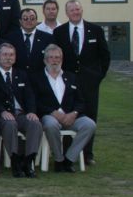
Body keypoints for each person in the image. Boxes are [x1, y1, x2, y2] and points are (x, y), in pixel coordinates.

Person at [52, 0, 110, 163]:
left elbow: (105, 56)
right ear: (66, 13)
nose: (75, 12)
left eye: (77, 9)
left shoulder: (96, 30)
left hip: (89, 82)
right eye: (71, 10)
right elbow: (55, 56)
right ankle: (67, 152)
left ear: (82, 10)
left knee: (90, 115)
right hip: (67, 82)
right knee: (67, 115)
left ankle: (87, 154)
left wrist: (98, 76)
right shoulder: (59, 32)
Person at [34, 44, 96, 173]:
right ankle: (59, 159)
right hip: (49, 116)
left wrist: (74, 113)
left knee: (89, 124)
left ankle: (69, 159)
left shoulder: (71, 77)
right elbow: (35, 102)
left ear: (62, 60)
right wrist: (52, 112)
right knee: (51, 125)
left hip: (70, 117)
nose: (54, 60)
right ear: (45, 60)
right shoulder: (37, 78)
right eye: (51, 57)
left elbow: (81, 101)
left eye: (57, 57)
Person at [0, 42, 42, 178]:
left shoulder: (22, 74)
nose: (8, 58)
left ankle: (28, 161)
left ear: (15, 57)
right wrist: (2, 111)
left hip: (21, 113)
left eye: (11, 55)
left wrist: (31, 111)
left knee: (35, 124)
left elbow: (30, 95)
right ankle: (15, 161)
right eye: (5, 55)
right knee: (10, 124)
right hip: (1, 115)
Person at [8, 7, 53, 74]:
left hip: (40, 76)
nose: (29, 21)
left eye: (32, 18)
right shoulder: (11, 38)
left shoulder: (47, 38)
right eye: (25, 18)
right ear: (20, 21)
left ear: (36, 20)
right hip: (17, 76)